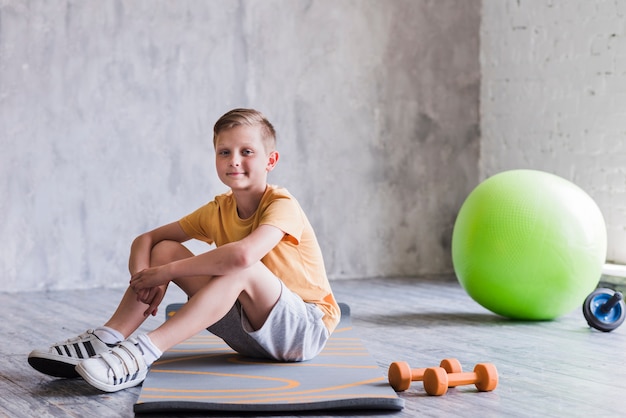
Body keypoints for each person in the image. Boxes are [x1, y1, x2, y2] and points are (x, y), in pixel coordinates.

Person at [28, 108, 341, 393]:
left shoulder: (282, 205)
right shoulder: (219, 209)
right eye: (224, 152)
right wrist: (144, 278)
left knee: (241, 266)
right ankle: (106, 338)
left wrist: (164, 274)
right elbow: (147, 239)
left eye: (246, 152)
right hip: (248, 335)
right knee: (165, 249)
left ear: (270, 160)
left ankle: (143, 353)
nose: (234, 160)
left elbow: (243, 257)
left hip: (303, 331)